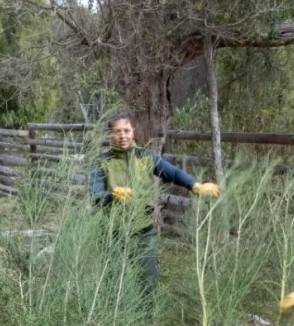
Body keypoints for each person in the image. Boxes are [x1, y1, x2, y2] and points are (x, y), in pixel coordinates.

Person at [89, 113, 221, 290]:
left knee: (148, 283)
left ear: (133, 131)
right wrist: (111, 194)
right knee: (113, 284)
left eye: (126, 130)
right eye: (117, 131)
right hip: (113, 232)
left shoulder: (146, 156)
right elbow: (94, 195)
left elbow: (172, 172)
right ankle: (114, 317)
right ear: (109, 134)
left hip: (143, 229)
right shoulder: (101, 162)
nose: (122, 136)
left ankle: (147, 317)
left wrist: (195, 185)